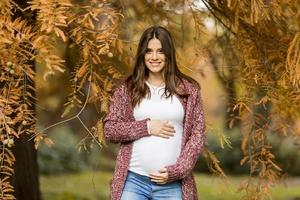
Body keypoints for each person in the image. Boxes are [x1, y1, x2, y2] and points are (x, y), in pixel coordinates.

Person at [103, 25, 206, 200]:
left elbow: (197, 135)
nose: (154, 57)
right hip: (133, 181)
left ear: (169, 54)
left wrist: (177, 171)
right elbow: (110, 130)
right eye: (149, 51)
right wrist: (147, 127)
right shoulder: (128, 88)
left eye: (160, 51)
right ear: (142, 55)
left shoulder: (188, 89)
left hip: (173, 184)